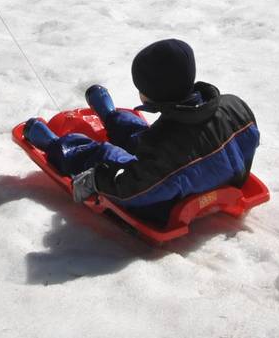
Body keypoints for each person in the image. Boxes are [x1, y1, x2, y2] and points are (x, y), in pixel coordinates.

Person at [22, 39, 259, 225]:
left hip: (165, 202)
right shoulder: (234, 106)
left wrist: (98, 180)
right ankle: (111, 117)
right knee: (144, 137)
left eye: (141, 88)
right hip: (217, 176)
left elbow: (132, 190)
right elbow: (249, 141)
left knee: (105, 154)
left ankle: (58, 146)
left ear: (155, 95)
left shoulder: (165, 150)